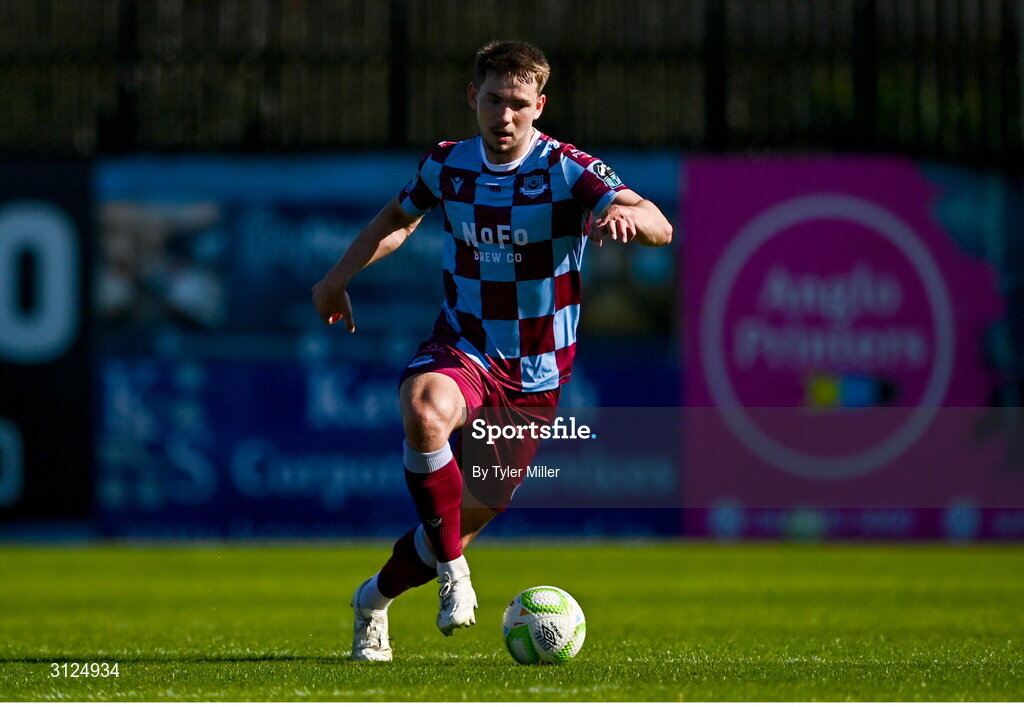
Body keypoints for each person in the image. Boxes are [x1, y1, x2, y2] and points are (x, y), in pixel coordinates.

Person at [311, 40, 672, 661]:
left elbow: (658, 223)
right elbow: (398, 220)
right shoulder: (448, 165)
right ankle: (457, 576)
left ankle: (372, 599)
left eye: (518, 104)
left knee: (447, 530)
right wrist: (336, 278)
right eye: (494, 100)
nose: (505, 116)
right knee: (423, 411)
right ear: (472, 97)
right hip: (464, 345)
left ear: (539, 105)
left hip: (535, 376)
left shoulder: (566, 169)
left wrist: (630, 220)